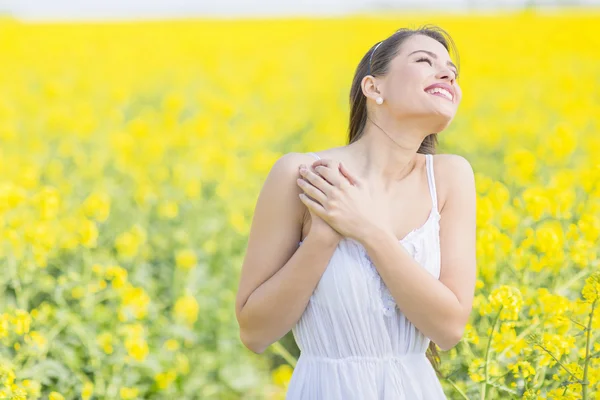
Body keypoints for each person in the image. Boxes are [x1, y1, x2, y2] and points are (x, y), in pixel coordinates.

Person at [235, 25, 477, 399]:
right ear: (373, 88)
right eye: (424, 61)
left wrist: (368, 229)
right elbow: (255, 333)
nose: (447, 74)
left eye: (452, 71)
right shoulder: (301, 176)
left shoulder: (449, 177)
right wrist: (322, 239)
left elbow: (448, 329)